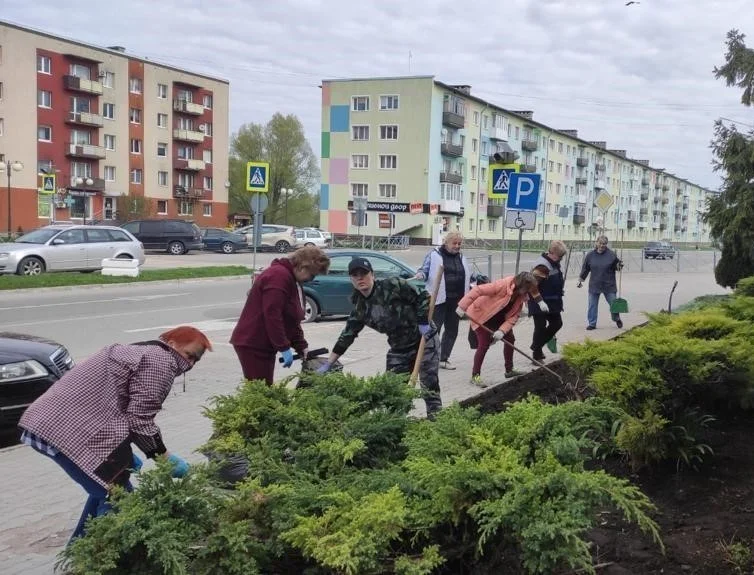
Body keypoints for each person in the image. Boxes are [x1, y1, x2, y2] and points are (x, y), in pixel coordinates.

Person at [18, 326, 212, 542]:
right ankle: (99, 554)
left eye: (195, 360)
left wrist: (124, 455)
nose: (189, 364)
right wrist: (163, 457)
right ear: (173, 344)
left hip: (52, 423)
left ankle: (78, 550)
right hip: (64, 431)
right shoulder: (162, 361)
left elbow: (120, 408)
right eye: (189, 355)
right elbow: (139, 420)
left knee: (108, 486)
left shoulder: (140, 351)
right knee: (119, 497)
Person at [316, 257, 442, 418]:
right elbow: (347, 336)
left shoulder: (393, 285)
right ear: (351, 279)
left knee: (429, 385)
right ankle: (395, 424)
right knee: (393, 390)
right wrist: (329, 363)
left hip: (424, 339)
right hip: (399, 348)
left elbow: (423, 296)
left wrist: (423, 322)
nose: (360, 278)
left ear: (372, 275)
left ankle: (436, 421)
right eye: (355, 275)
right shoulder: (360, 308)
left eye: (364, 274)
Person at [230, 245, 330, 384]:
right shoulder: (278, 277)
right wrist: (283, 347)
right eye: (312, 275)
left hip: (263, 345)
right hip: (254, 344)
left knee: (263, 387)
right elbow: (272, 315)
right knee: (260, 390)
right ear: (303, 267)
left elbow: (291, 319)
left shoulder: (292, 279)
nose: (311, 279)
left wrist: (302, 347)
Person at [457, 271, 547, 387]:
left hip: (499, 319)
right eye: (527, 289)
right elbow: (478, 290)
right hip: (482, 316)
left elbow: (514, 317)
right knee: (484, 344)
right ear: (521, 285)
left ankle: (509, 370)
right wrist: (462, 306)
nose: (529, 291)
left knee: (510, 339)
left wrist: (502, 331)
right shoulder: (502, 285)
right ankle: (475, 376)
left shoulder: (521, 297)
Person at [414, 231, 476, 371]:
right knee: (434, 330)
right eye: (454, 243)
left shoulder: (461, 257)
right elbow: (424, 270)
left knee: (452, 330)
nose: (457, 246)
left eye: (459, 243)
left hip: (457, 300)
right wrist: (421, 274)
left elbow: (468, 275)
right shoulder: (434, 255)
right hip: (438, 299)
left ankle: (443, 359)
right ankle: (428, 359)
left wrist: (475, 282)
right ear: (446, 242)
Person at [529, 240, 568, 361]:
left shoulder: (554, 263)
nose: (561, 259)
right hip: (538, 302)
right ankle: (537, 354)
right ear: (552, 253)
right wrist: (540, 301)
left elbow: (552, 280)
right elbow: (531, 285)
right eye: (560, 256)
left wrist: (558, 289)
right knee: (540, 327)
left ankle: (536, 346)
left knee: (557, 323)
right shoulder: (542, 266)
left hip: (551, 302)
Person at [577, 235, 624, 330]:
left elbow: (617, 267)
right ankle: (592, 323)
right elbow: (585, 268)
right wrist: (580, 280)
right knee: (592, 305)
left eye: (604, 244)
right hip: (595, 284)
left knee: (613, 304)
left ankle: (616, 318)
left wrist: (620, 265)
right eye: (600, 243)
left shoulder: (611, 254)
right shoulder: (590, 255)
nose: (602, 245)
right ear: (596, 243)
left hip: (609, 284)